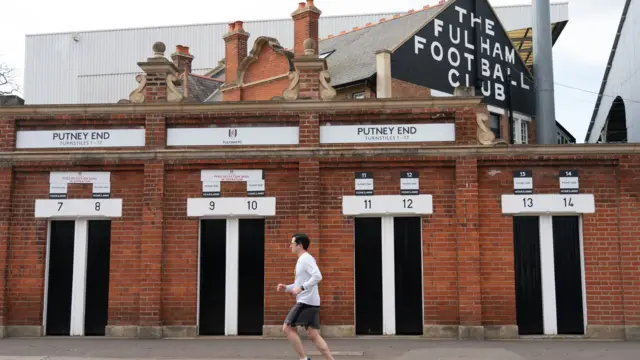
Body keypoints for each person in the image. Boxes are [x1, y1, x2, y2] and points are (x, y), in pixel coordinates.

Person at [277, 233, 334, 360]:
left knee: (287, 328)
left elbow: (318, 276)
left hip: (306, 302)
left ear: (300, 245)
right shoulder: (302, 260)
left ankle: (304, 359)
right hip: (312, 302)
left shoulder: (305, 259)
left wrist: (302, 288)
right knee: (313, 335)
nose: (290, 245)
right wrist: (287, 288)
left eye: (292, 243)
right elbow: (299, 285)